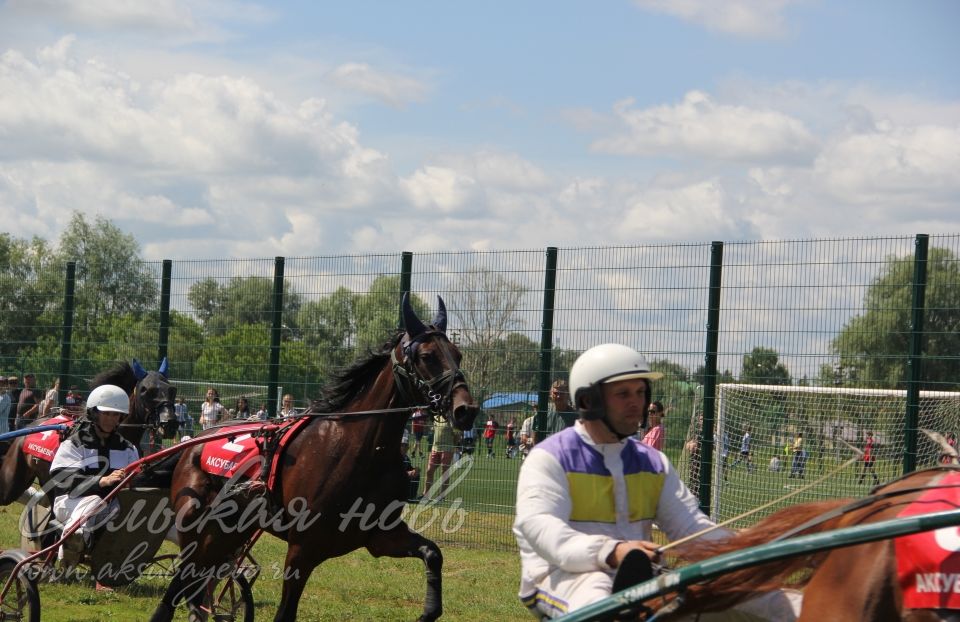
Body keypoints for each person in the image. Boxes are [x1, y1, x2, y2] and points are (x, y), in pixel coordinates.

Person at [513, 344, 800, 620]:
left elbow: (691, 528)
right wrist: (612, 551)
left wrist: (744, 546)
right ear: (589, 401)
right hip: (559, 576)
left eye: (640, 391)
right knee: (599, 598)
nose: (637, 402)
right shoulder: (549, 459)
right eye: (623, 393)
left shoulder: (653, 463)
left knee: (777, 599)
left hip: (637, 579)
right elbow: (544, 532)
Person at [49, 384, 139, 571]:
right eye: (106, 413)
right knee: (95, 500)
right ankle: (70, 544)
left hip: (109, 506)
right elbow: (62, 477)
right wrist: (101, 481)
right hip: (69, 503)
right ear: (95, 413)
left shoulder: (128, 449)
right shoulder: (73, 444)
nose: (110, 419)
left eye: (115, 415)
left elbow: (137, 481)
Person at [421, 416, 455, 500]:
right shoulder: (436, 417)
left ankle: (441, 496)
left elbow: (457, 435)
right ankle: (425, 495)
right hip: (435, 447)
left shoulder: (452, 419)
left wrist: (454, 445)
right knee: (429, 470)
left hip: (447, 448)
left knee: (444, 471)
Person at [400, 430, 421, 502]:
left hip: (403, 477)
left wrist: (415, 469)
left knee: (416, 475)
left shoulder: (406, 457)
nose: (406, 447)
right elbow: (394, 471)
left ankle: (411, 497)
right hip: (395, 479)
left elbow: (409, 468)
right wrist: (408, 473)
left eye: (406, 445)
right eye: (403, 445)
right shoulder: (395, 457)